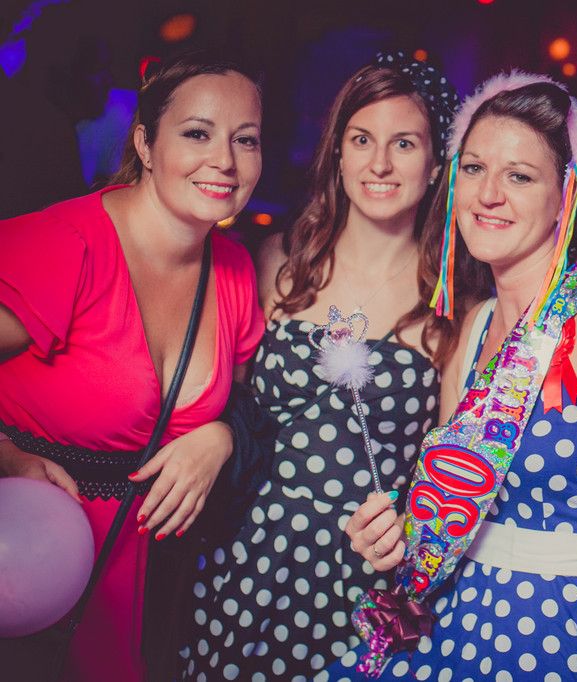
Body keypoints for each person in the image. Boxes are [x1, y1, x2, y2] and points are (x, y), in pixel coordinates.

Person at [332, 72, 577, 682]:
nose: (488, 194)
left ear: (565, 196)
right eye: (475, 168)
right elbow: (458, 511)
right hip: (461, 620)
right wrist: (395, 539)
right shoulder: (475, 327)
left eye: (519, 176)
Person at [180, 52, 459, 681]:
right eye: (361, 140)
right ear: (337, 152)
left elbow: (455, 471)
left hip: (363, 573)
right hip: (246, 551)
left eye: (404, 143)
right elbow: (224, 402)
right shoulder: (276, 261)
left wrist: (409, 528)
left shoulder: (454, 303)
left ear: (436, 163)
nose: (379, 163)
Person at [0, 50, 265, 682]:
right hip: (26, 565)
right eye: (197, 133)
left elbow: (247, 403)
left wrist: (221, 436)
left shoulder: (233, 270)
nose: (224, 161)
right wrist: (3, 453)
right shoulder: (68, 245)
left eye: (246, 139)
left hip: (157, 587)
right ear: (145, 143)